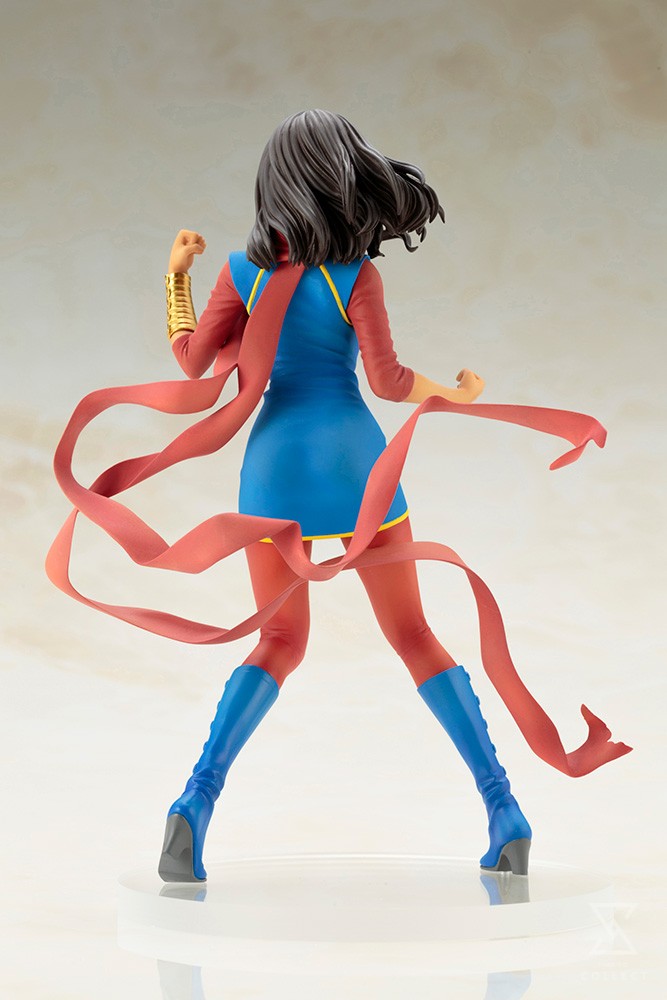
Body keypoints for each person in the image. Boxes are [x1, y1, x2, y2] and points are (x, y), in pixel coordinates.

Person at [48, 110, 630, 885]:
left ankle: (194, 801)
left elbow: (191, 363)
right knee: (414, 634)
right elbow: (388, 382)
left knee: (279, 641)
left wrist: (175, 276)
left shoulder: (241, 271)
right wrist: (454, 391)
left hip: (275, 472)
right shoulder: (356, 274)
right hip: (356, 468)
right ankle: (504, 812)